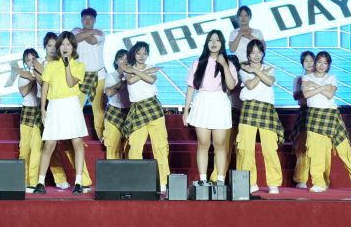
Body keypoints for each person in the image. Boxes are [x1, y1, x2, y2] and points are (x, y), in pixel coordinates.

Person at [33, 32, 90, 195]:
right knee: (49, 144)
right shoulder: (51, 66)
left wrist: (66, 65)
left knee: (77, 142)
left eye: (68, 44)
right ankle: (40, 183)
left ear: (73, 47)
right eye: (63, 44)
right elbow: (45, 87)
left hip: (71, 104)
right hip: (55, 105)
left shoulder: (79, 66)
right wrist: (43, 109)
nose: (65, 47)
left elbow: (71, 83)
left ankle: (78, 182)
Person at [303, 51, 351, 193]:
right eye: (319, 62)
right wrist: (322, 86)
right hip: (314, 117)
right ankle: (318, 183)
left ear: (328, 65)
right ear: (315, 63)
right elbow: (306, 94)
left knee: (345, 150)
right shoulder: (306, 77)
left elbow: (330, 94)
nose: (321, 65)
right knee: (316, 152)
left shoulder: (332, 77)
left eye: (325, 63)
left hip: (331, 116)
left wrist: (315, 86)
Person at [183, 29, 237, 185]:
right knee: (203, 143)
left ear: (222, 44)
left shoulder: (228, 64)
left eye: (217, 40)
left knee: (220, 143)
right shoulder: (198, 63)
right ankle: (202, 180)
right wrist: (186, 110)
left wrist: (224, 65)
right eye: (211, 40)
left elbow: (231, 85)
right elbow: (191, 88)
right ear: (207, 43)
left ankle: (220, 180)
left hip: (220, 102)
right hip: (202, 102)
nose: (214, 43)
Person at [236, 40, 285, 194]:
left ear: (263, 53)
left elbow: (270, 82)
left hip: (266, 109)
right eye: (253, 52)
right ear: (248, 54)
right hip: (249, 108)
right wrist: (259, 73)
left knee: (270, 147)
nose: (256, 55)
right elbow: (250, 85)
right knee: (246, 148)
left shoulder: (270, 68)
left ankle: (273, 183)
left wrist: (256, 71)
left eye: (259, 52)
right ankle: (250, 182)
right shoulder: (243, 70)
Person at [120, 42, 170, 193]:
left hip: (153, 108)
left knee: (160, 147)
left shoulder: (149, 66)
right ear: (133, 54)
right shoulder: (126, 68)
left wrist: (139, 71)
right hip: (137, 110)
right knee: (135, 147)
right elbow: (130, 81)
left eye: (144, 53)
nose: (142, 56)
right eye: (138, 53)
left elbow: (151, 80)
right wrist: (144, 72)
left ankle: (163, 181)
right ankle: (137, 181)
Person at [292, 51, 329, 188]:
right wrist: (304, 87)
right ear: (302, 63)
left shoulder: (324, 77)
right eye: (305, 61)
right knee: (302, 146)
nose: (309, 64)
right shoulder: (299, 79)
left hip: (320, 113)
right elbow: (296, 96)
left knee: (321, 147)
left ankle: (323, 179)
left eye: (311, 61)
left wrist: (315, 86)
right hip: (305, 112)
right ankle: (301, 179)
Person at [72, 8, 106, 139]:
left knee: (98, 109)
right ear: (81, 20)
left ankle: (102, 137)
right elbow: (76, 38)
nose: (87, 21)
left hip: (98, 76)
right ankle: (74, 136)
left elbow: (92, 41)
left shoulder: (100, 33)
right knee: (76, 107)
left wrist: (86, 33)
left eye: (90, 19)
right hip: (79, 76)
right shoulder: (75, 31)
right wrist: (91, 31)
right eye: (85, 18)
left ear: (95, 20)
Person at [14, 48, 43, 192]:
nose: (31, 62)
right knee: (24, 148)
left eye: (33, 59)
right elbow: (24, 92)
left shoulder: (42, 72)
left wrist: (36, 76)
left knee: (37, 147)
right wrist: (32, 78)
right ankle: (23, 180)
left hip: (40, 110)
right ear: (25, 62)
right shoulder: (23, 76)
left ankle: (33, 181)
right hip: (27, 111)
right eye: (28, 60)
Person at [102, 50, 131, 160]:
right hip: (113, 112)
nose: (124, 61)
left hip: (130, 112)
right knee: (112, 147)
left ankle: (130, 170)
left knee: (130, 147)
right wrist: (123, 81)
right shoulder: (110, 76)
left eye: (127, 59)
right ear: (116, 61)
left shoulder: (133, 76)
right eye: (121, 59)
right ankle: (113, 171)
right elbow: (109, 92)